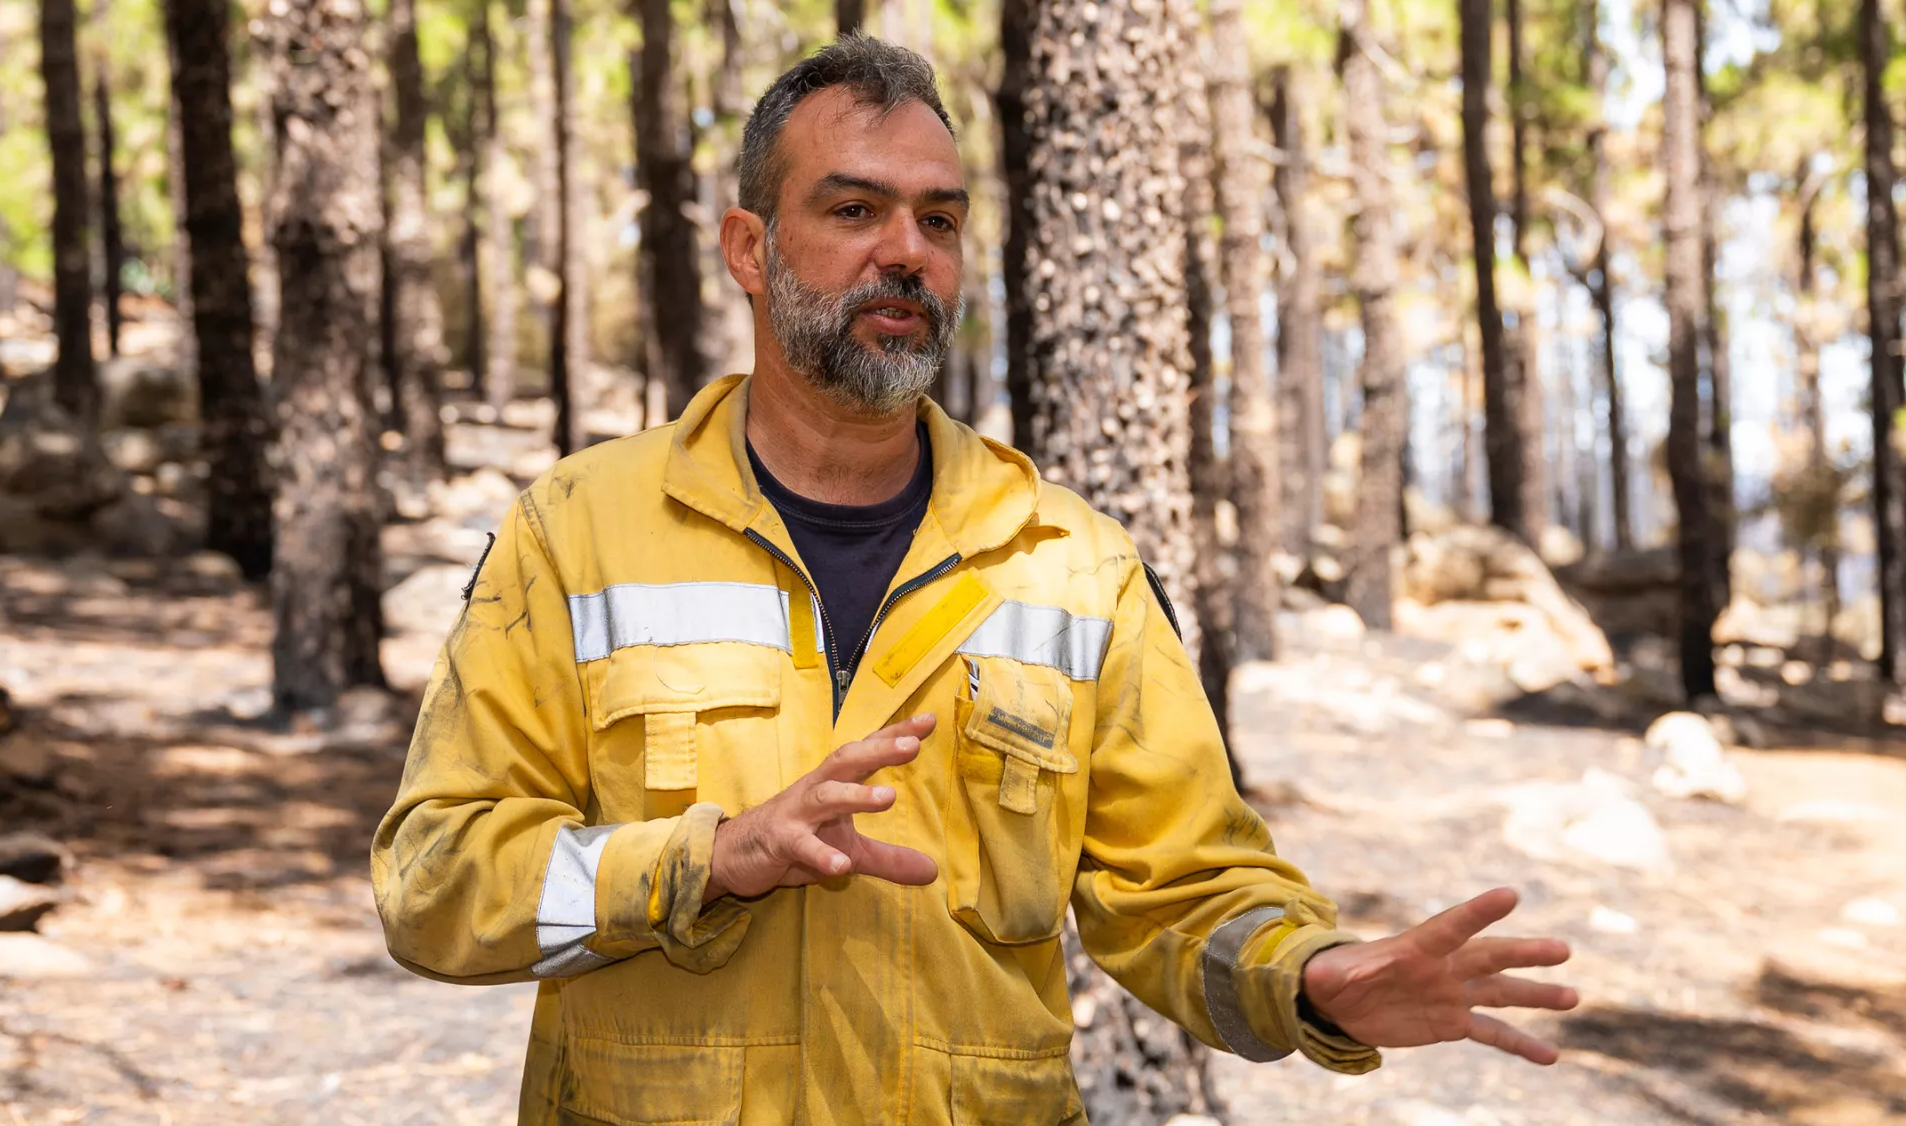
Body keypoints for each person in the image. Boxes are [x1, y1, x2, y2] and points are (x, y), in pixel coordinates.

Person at [371, 34, 1579, 1125]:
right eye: (854, 208)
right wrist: (705, 858)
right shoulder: (577, 532)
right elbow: (435, 882)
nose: (905, 252)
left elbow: (1182, 888)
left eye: (938, 222)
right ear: (747, 247)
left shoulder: (1070, 568)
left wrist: (1308, 977)